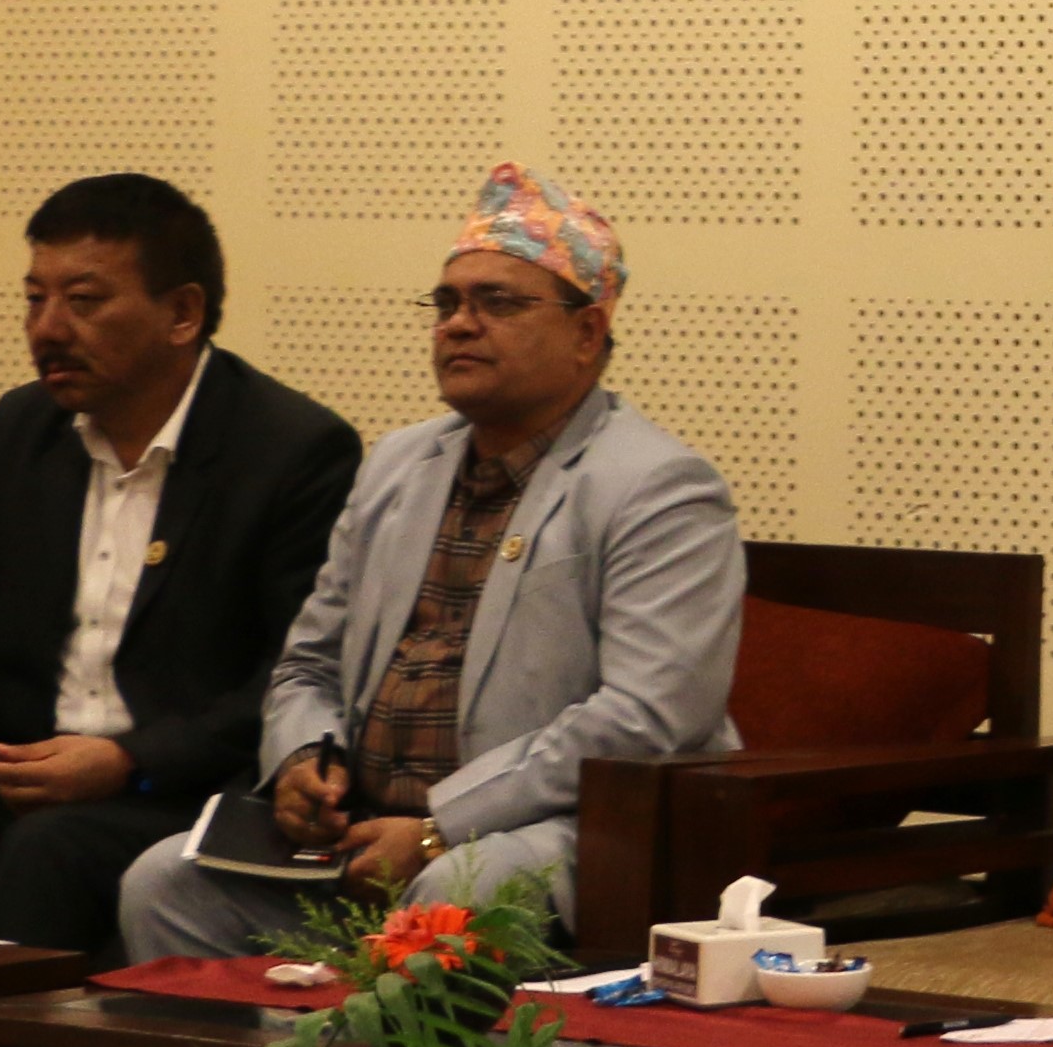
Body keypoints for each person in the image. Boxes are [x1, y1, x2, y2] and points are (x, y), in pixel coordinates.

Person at [115, 165, 739, 959]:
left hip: (557, 831)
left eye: (498, 303)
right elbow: (308, 663)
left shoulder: (658, 486)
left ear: (588, 334)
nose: (458, 324)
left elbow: (649, 716)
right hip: (368, 827)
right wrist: (308, 758)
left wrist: (443, 825)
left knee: (451, 897)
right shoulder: (399, 465)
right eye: (447, 303)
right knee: (166, 880)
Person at [0, 175, 358, 959]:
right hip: (20, 771)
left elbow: (289, 675)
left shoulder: (290, 450)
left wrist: (127, 759)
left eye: (83, 301)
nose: (48, 328)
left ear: (182, 313)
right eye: (33, 299)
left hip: (175, 796)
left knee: (51, 848)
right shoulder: (26, 428)